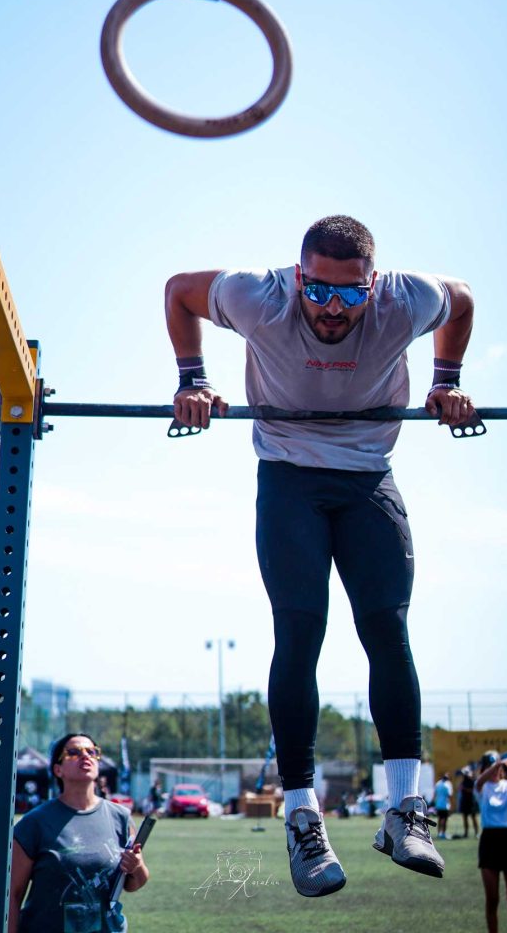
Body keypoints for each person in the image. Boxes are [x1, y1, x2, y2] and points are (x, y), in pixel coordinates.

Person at [165, 214, 476, 896]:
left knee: (387, 628)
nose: (335, 310)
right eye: (321, 292)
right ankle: (303, 820)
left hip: (369, 476)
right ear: (298, 276)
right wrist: (192, 378)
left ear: (374, 283)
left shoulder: (404, 298)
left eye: (352, 295)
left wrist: (446, 377)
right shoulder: (259, 296)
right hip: (289, 473)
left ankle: (403, 810)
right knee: (301, 628)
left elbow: (463, 298)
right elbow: (180, 290)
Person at [8, 734, 149, 933]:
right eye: (73, 753)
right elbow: (12, 895)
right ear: (58, 770)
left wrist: (137, 866)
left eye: (91, 752)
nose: (86, 756)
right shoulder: (34, 823)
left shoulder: (120, 817)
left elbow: (134, 884)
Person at [476, 752, 507, 933]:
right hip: (489, 841)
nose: (496, 771)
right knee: (492, 900)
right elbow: (479, 781)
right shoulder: (482, 788)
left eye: (498, 767)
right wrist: (498, 763)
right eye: (491, 767)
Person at [458, 765, 480, 838]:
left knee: (474, 818)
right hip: (465, 801)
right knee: (465, 818)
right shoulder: (464, 781)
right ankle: (466, 833)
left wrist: (464, 788)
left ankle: (477, 833)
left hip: (471, 801)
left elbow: (472, 790)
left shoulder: (471, 781)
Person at [433, 772, 453, 839]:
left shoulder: (438, 784)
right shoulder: (448, 785)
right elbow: (449, 796)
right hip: (445, 805)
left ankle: (439, 833)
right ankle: (443, 833)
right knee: (445, 820)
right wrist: (451, 805)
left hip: (438, 804)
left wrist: (434, 803)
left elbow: (435, 794)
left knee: (439, 819)